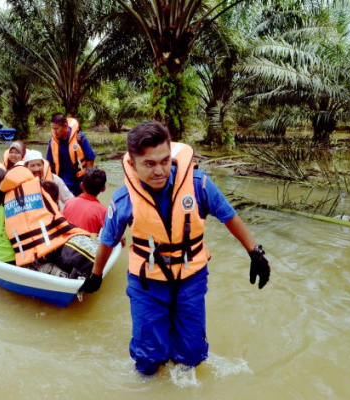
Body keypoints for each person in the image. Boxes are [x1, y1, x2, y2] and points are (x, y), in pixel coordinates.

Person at [81, 121, 271, 376]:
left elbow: (229, 216)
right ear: (133, 164)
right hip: (146, 282)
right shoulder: (123, 199)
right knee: (148, 361)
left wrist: (254, 251)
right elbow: (107, 240)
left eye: (164, 161)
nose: (159, 170)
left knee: (191, 358)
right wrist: (96, 276)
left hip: (191, 277)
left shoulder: (198, 184)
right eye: (149, 164)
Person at [0, 164, 96, 278]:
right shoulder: (37, 188)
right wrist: (76, 231)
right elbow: (55, 214)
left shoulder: (7, 199)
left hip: (26, 254)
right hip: (51, 244)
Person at [46, 113, 95, 196]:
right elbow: (49, 164)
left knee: (81, 200)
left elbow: (90, 158)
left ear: (65, 125)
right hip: (64, 178)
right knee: (69, 202)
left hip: (80, 178)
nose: (54, 131)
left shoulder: (80, 137)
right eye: (52, 128)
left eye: (56, 128)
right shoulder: (52, 142)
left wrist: (88, 178)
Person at [62, 168, 107, 234]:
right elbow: (113, 234)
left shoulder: (69, 203)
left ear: (81, 185)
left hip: (68, 242)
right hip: (87, 243)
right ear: (103, 189)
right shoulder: (103, 211)